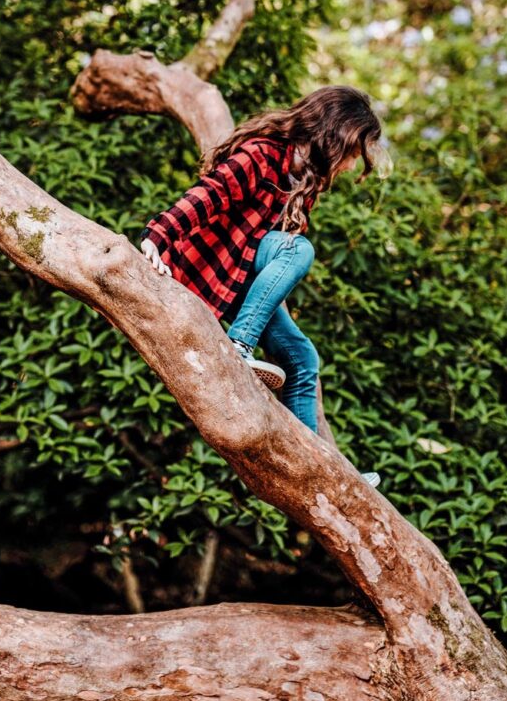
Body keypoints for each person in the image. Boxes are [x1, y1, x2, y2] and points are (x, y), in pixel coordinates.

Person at [140, 86, 392, 483]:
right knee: (299, 250)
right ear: (334, 136)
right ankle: (238, 344)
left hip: (244, 276)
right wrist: (157, 235)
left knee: (301, 359)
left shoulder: (306, 180)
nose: (348, 166)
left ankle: (320, 469)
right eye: (352, 154)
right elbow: (209, 195)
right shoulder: (263, 153)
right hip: (214, 266)